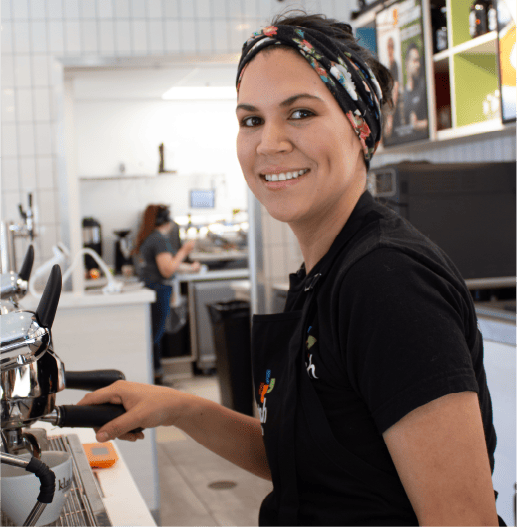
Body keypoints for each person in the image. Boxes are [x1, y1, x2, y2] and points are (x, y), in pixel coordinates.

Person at [79, 11, 505, 527]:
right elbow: (309, 460)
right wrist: (176, 407)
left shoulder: (387, 282)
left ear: (359, 125)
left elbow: (463, 518)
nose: (269, 143)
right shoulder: (326, 273)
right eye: (251, 120)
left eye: (300, 113)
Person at [133, 204, 200, 384]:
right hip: (158, 290)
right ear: (166, 220)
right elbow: (167, 270)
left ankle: (156, 375)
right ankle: (155, 378)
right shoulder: (159, 240)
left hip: (154, 289)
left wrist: (189, 267)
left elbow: (167, 264)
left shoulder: (151, 238)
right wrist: (184, 252)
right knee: (155, 336)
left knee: (154, 334)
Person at [403, 42, 429, 137]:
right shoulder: (403, 94)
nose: (418, 65)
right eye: (414, 61)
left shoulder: (424, 87)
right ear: (407, 64)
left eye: (418, 61)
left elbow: (436, 121)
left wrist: (418, 125)